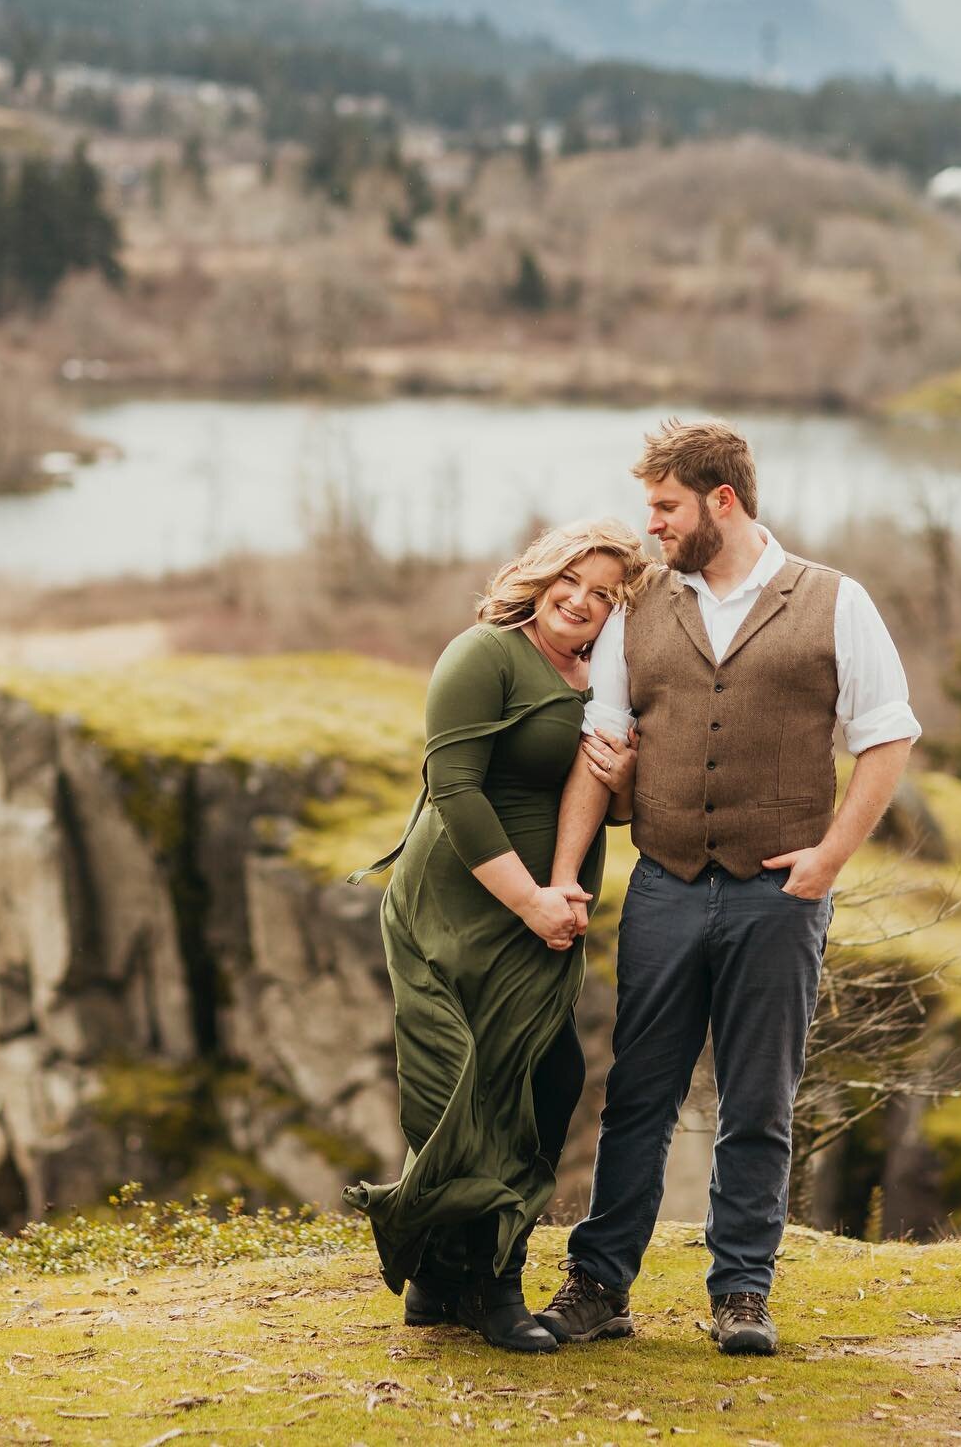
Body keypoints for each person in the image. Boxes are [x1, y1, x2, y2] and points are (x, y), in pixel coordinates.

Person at [537, 418, 920, 1357]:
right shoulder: (637, 608)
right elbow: (605, 745)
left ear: (722, 499)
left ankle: (742, 1291)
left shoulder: (834, 600)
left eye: (665, 507)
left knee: (758, 1101)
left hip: (777, 898)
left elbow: (890, 734)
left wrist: (829, 861)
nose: (652, 527)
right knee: (638, 1096)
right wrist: (561, 878)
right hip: (665, 887)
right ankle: (598, 1286)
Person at [344, 519, 649, 1354]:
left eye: (605, 596)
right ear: (541, 573)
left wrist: (622, 786)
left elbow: (610, 801)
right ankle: (489, 1287)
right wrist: (530, 900)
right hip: (462, 907)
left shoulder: (606, 678)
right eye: (573, 582)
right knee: (465, 1090)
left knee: (545, 1083)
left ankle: (447, 1278)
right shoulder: (485, 654)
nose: (582, 602)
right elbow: (455, 790)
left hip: (549, 908)